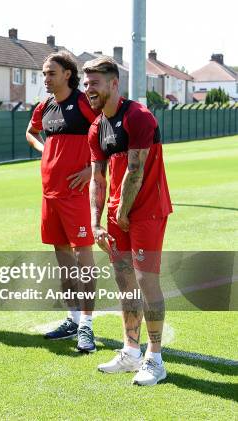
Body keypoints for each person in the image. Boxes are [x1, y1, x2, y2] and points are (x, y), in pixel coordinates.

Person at [84, 56, 172, 385]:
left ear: (113, 84)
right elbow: (98, 178)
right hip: (116, 213)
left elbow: (136, 170)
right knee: (125, 282)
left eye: (94, 83)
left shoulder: (138, 116)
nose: (88, 89)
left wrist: (122, 211)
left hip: (146, 210)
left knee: (146, 281)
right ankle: (131, 351)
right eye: (86, 83)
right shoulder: (96, 127)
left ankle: (156, 359)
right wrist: (96, 221)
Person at [25, 52, 99, 353]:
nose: (46, 78)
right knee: (63, 260)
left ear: (67, 74)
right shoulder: (45, 106)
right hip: (50, 194)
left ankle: (87, 326)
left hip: (75, 195)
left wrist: (92, 169)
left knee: (83, 259)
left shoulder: (82, 103)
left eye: (51, 73)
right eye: (44, 73)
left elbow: (107, 133)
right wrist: (44, 149)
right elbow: (31, 132)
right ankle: (72, 318)